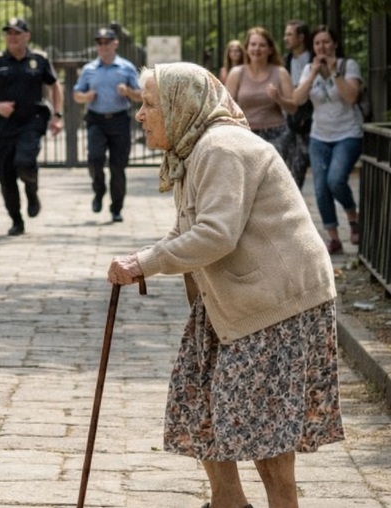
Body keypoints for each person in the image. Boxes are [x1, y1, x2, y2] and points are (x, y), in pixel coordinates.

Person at [109, 62, 342, 508]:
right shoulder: (192, 149)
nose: (140, 114)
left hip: (278, 300)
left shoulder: (221, 148)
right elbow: (187, 231)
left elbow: (216, 234)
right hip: (234, 297)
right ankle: (227, 502)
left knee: (262, 424)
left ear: (182, 105)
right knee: (196, 399)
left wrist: (143, 264)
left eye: (150, 104)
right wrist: (141, 260)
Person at [0, 17, 64, 236]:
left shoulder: (39, 59)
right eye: (8, 33)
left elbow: (54, 86)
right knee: (5, 175)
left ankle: (32, 193)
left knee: (24, 162)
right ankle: (16, 220)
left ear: (27, 36)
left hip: (32, 122)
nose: (12, 37)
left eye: (16, 33)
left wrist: (57, 115)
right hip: (4, 127)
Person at [292, 24, 364, 254]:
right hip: (320, 136)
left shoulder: (347, 65)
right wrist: (313, 74)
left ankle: (353, 217)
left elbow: (351, 97)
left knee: (335, 180)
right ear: (312, 47)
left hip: (348, 133)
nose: (321, 46)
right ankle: (333, 238)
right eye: (317, 43)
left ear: (334, 44)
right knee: (321, 188)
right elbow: (297, 100)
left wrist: (334, 71)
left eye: (326, 41)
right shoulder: (308, 69)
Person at [73, 27, 141, 223]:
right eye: (99, 43)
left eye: (106, 42)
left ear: (115, 43)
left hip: (119, 120)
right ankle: (99, 189)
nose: (103, 46)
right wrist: (86, 96)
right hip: (96, 120)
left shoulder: (126, 67)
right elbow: (77, 94)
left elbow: (140, 95)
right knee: (94, 159)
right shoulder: (89, 69)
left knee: (117, 167)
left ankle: (116, 208)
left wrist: (127, 91)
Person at [225, 27, 298, 182]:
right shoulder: (237, 73)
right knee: (248, 185)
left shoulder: (280, 72)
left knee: (271, 185)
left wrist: (279, 98)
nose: (257, 49)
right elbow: (225, 107)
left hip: (276, 136)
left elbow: (293, 108)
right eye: (253, 44)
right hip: (246, 134)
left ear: (270, 50)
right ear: (247, 48)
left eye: (262, 45)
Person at [282, 20, 314, 189]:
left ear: (301, 37)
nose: (285, 38)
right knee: (289, 167)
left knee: (304, 165)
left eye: (289, 34)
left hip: (312, 121)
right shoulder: (284, 61)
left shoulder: (314, 59)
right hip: (289, 120)